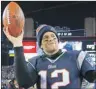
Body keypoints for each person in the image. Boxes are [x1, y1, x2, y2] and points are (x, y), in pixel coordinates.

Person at [3, 25, 96, 89]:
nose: (50, 39)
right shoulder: (35, 62)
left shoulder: (77, 56)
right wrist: (17, 44)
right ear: (41, 45)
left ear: (58, 41)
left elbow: (92, 77)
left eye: (53, 36)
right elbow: (24, 83)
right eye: (45, 38)